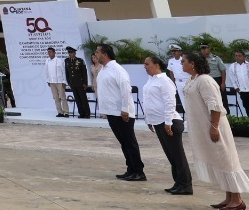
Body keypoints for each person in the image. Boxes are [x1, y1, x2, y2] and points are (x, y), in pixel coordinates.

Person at [181, 51, 249, 210]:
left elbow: (215, 105)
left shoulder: (205, 80)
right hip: (205, 127)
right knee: (220, 160)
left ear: (192, 64)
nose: (181, 64)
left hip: (215, 126)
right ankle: (229, 197)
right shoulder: (193, 80)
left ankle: (237, 199)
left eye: (184, 61)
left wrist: (214, 126)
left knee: (226, 159)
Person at [141, 55, 191, 195]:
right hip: (158, 122)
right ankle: (178, 182)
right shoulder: (151, 80)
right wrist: (149, 120)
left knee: (177, 155)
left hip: (169, 122)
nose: (144, 67)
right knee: (171, 155)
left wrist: (168, 122)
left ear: (156, 65)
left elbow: (170, 102)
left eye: (147, 64)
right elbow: (149, 101)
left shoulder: (164, 80)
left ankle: (186, 185)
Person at [94, 43, 144, 182]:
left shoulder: (117, 69)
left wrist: (125, 109)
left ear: (105, 54)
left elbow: (125, 90)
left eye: (97, 52)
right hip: (111, 112)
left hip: (121, 113)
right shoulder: (103, 69)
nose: (95, 54)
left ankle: (139, 171)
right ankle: (130, 169)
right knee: (124, 143)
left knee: (129, 142)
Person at [224, 51, 249, 117]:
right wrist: (236, 87)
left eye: (239, 56)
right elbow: (232, 78)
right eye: (236, 56)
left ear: (244, 57)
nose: (237, 57)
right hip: (243, 90)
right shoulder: (232, 66)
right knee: (247, 107)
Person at [64, 46, 92, 119]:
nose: (70, 54)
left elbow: (84, 73)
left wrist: (85, 83)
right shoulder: (67, 61)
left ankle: (87, 113)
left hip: (80, 82)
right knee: (77, 99)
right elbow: (67, 73)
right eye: (69, 53)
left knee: (83, 99)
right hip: (73, 83)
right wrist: (69, 82)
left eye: (71, 53)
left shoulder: (80, 60)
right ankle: (81, 113)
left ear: (74, 53)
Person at [43, 46, 68, 116]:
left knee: (62, 97)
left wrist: (64, 81)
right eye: (48, 52)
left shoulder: (59, 60)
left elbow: (64, 71)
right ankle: (60, 112)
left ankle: (66, 112)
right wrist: (48, 80)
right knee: (56, 98)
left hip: (59, 81)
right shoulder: (47, 61)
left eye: (50, 52)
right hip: (52, 82)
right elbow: (46, 71)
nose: (49, 53)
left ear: (54, 53)